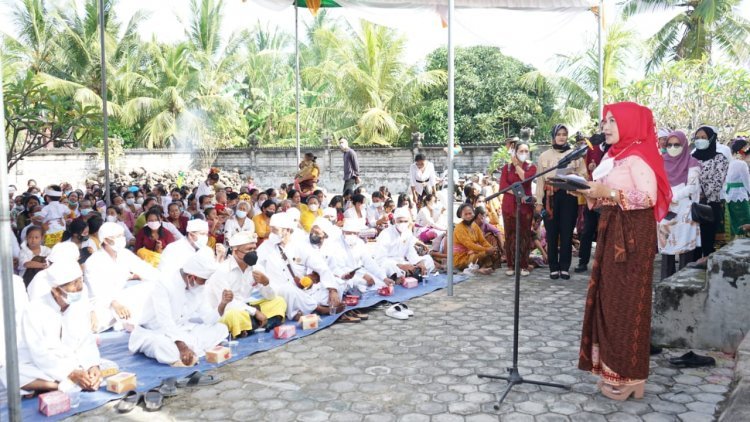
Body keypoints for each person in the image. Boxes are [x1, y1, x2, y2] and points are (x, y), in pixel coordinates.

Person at [577, 102, 672, 401]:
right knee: (608, 299)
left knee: (627, 303)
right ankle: (612, 368)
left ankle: (632, 375)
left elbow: (648, 197)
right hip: (611, 228)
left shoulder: (639, 156)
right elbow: (605, 197)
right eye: (605, 121)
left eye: (613, 121)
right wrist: (587, 192)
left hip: (633, 235)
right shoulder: (612, 156)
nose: (605, 127)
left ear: (631, 124)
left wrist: (609, 193)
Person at [129, 249, 228, 366]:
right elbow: (165, 321)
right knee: (166, 348)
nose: (205, 283)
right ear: (191, 277)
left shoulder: (199, 288)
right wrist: (182, 347)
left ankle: (191, 350)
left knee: (221, 329)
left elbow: (208, 319)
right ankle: (191, 350)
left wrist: (222, 304)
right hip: (155, 331)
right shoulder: (164, 283)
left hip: (182, 329)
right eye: (204, 280)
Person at [16, 260, 102, 394]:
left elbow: (87, 341)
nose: (80, 286)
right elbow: (39, 353)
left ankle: (68, 382)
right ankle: (60, 386)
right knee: (10, 373)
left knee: (104, 366)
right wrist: (70, 373)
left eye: (80, 280)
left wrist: (93, 366)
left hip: (71, 360)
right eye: (74, 283)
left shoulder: (79, 304)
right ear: (56, 290)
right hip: (40, 362)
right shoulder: (34, 310)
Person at [256, 213, 344, 321]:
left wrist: (332, 290)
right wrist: (264, 280)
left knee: (337, 286)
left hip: (302, 288)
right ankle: (318, 308)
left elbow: (321, 266)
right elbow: (256, 266)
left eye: (275, 230)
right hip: (279, 290)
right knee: (288, 290)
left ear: (287, 230)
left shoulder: (299, 246)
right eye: (271, 229)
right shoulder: (265, 247)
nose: (272, 233)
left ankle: (303, 308)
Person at [206, 232, 287, 338]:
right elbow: (228, 304)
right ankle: (259, 323)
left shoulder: (255, 267)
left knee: (278, 301)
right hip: (224, 311)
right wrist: (255, 312)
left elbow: (270, 296)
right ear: (235, 251)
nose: (253, 253)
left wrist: (266, 283)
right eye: (249, 250)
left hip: (245, 309)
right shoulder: (223, 271)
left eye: (254, 249)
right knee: (232, 315)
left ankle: (248, 327)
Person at [534, 124, 588, 280]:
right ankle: (553, 267)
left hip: (569, 195)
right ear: (553, 136)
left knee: (566, 232)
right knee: (551, 233)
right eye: (559, 134)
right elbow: (539, 181)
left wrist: (577, 178)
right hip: (550, 197)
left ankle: (564, 267)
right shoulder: (544, 156)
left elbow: (583, 175)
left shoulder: (575, 154)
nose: (562, 137)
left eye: (564, 134)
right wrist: (539, 201)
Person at [85, 222, 160, 332]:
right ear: (106, 240)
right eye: (118, 236)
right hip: (101, 304)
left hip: (120, 297)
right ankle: (128, 321)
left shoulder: (124, 254)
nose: (122, 239)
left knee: (153, 287)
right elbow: (97, 292)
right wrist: (115, 304)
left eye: (122, 235)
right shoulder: (93, 262)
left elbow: (147, 271)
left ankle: (129, 320)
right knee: (95, 324)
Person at [657, 131, 702, 279]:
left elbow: (693, 186)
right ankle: (665, 283)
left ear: (684, 145)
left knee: (685, 249)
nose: (672, 147)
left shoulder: (692, 161)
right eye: (669, 144)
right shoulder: (661, 160)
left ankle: (683, 284)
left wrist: (673, 196)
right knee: (666, 247)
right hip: (664, 208)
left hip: (684, 210)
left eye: (677, 144)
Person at [692, 126, 730, 259]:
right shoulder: (691, 157)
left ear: (711, 139)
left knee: (707, 242)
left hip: (709, 206)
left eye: (703, 138)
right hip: (692, 206)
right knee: (694, 244)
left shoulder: (720, 159)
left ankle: (706, 270)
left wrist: (697, 190)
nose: (699, 140)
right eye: (697, 138)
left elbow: (716, 184)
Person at [499, 143, 536, 276]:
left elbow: (525, 179)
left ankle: (524, 265)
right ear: (515, 152)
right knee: (510, 235)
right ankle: (510, 265)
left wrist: (517, 166)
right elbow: (503, 186)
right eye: (521, 150)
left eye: (526, 150)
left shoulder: (531, 167)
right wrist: (518, 193)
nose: (524, 152)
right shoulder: (506, 168)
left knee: (525, 235)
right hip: (509, 206)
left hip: (525, 207)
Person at [575, 134, 607, 273]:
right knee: (587, 231)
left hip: (606, 199)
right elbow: (585, 174)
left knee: (604, 232)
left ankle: (602, 262)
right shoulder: (588, 154)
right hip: (591, 200)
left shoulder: (609, 154)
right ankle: (583, 261)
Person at [375, 208, 436, 278]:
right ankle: (409, 274)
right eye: (400, 221)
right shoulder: (385, 234)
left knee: (428, 260)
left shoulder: (407, 233)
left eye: (405, 221)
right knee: (388, 268)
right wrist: (401, 266)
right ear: (394, 221)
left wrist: (420, 262)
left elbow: (411, 253)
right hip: (391, 264)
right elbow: (380, 259)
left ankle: (409, 273)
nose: (403, 223)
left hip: (403, 262)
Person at [453, 204, 495, 275]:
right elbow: (470, 245)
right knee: (484, 253)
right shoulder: (459, 228)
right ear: (461, 215)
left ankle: (482, 268)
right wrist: (486, 250)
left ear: (474, 213)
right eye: (465, 214)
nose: (468, 216)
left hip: (473, 252)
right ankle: (479, 269)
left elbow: (482, 241)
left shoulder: (474, 225)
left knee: (494, 253)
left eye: (470, 213)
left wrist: (491, 248)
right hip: (461, 258)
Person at [725, 139, 750, 237]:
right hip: (740, 195)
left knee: (734, 220)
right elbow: (747, 182)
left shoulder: (729, 161)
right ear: (741, 150)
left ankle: (736, 238)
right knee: (745, 218)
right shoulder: (741, 164)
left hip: (729, 195)